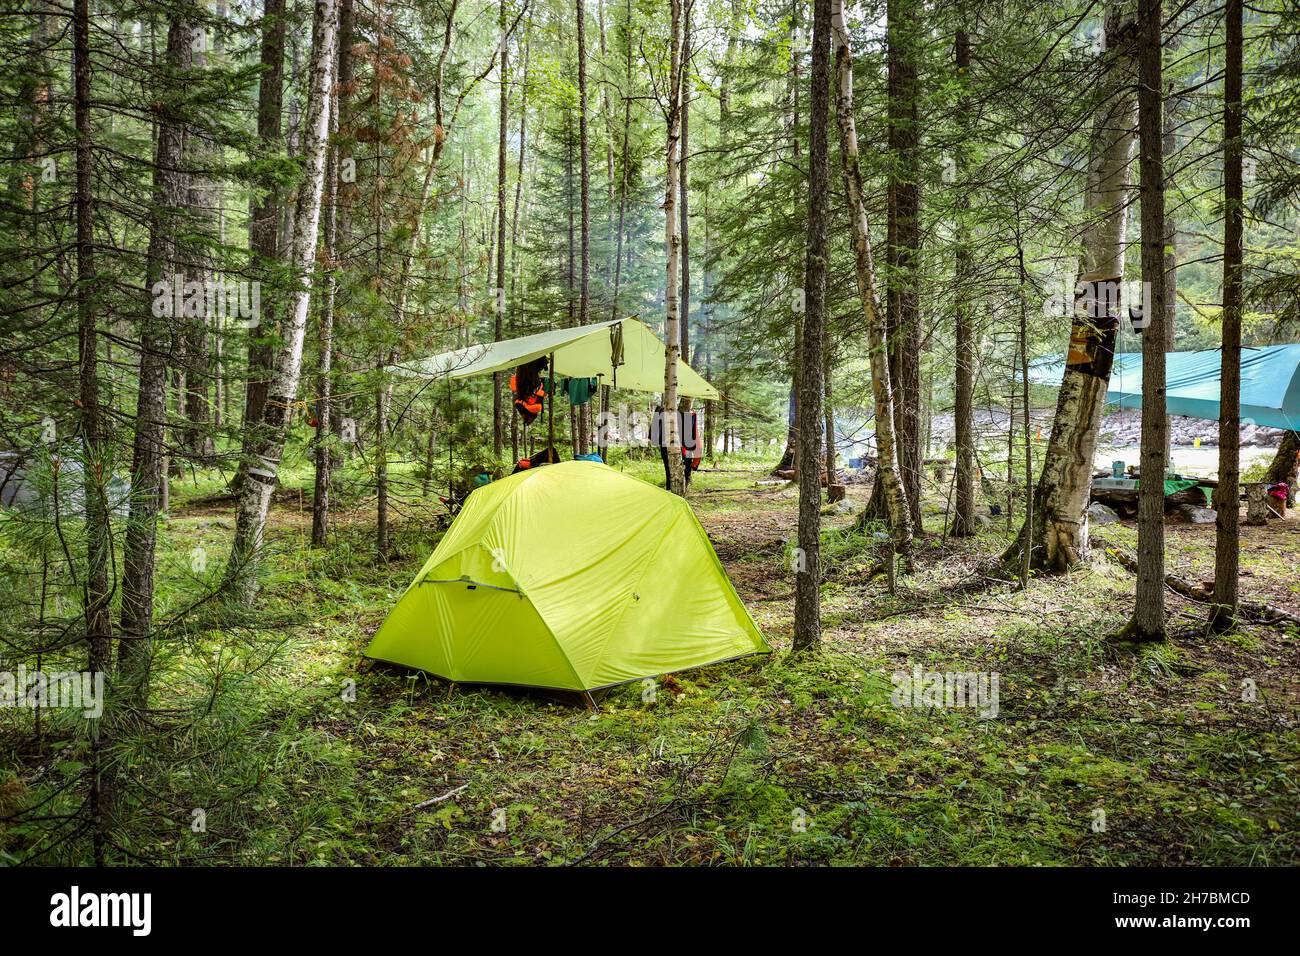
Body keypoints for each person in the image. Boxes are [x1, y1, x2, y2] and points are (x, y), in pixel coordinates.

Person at [650, 405, 702, 490]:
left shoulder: (687, 414)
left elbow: (694, 437)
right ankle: (674, 489)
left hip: (678, 446)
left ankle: (676, 489)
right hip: (674, 446)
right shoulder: (687, 414)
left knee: (672, 470)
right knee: (671, 470)